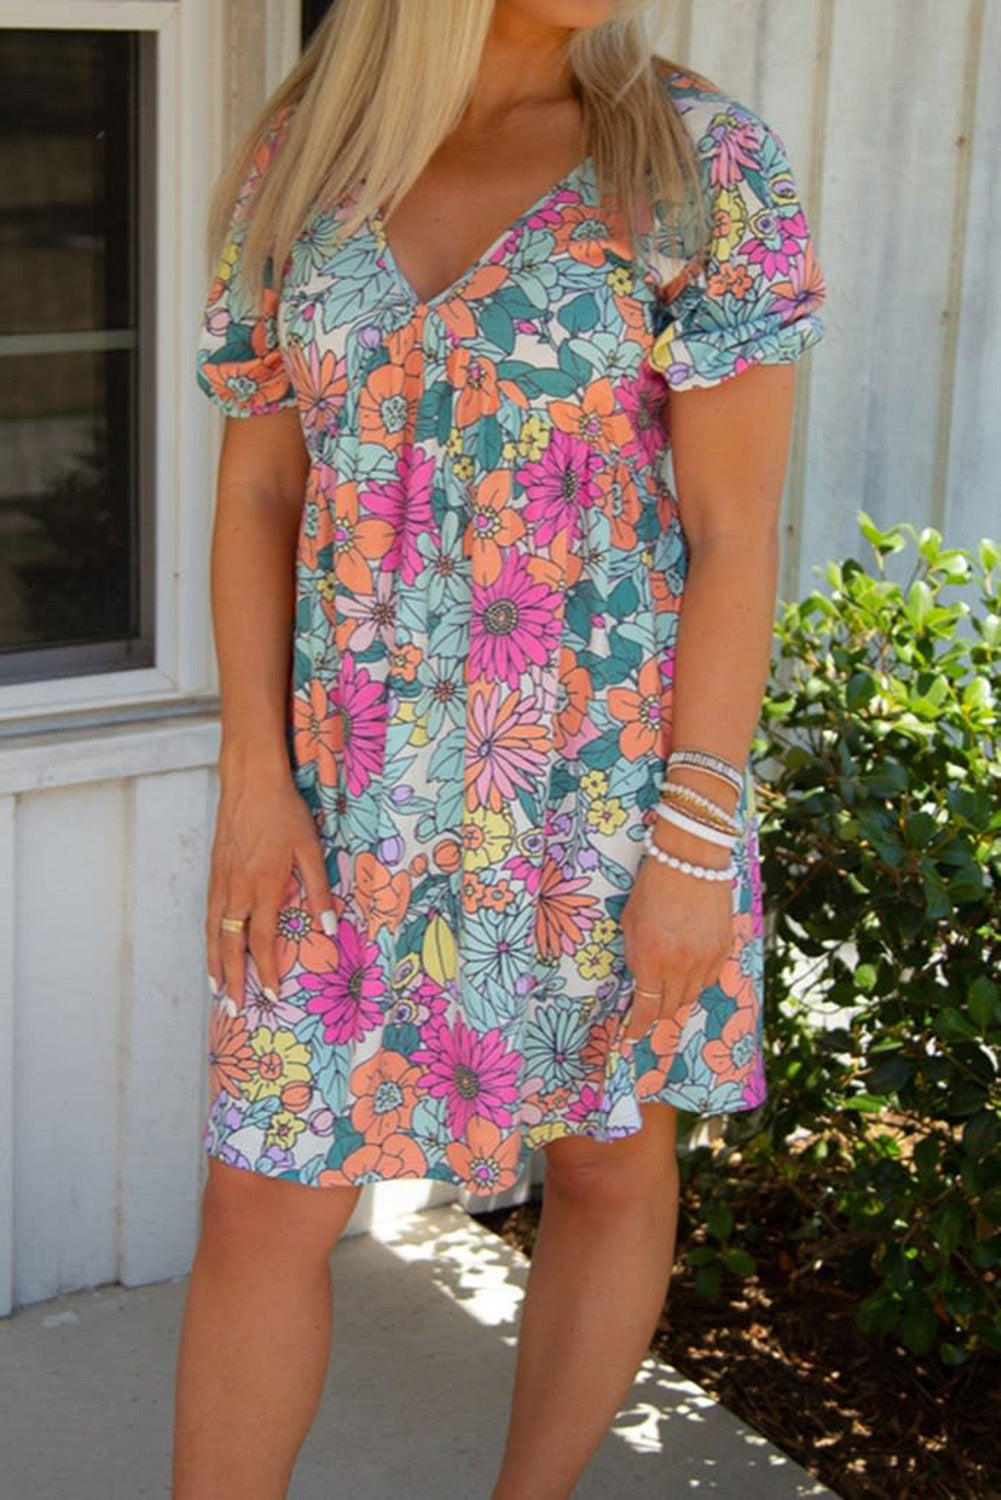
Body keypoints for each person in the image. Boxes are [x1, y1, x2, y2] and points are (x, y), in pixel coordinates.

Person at [175, 0, 826, 1495]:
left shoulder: (698, 163)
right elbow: (260, 491)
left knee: (603, 1159)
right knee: (263, 1198)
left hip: (598, 793)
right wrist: (253, 779)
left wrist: (693, 841)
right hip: (339, 796)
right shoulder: (308, 158)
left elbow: (734, 533)